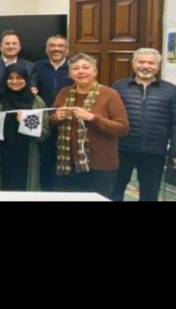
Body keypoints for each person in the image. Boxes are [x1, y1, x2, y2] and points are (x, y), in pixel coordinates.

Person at [50, 53, 129, 199]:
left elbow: (123, 128)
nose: (81, 71)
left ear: (95, 71)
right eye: (75, 68)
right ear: (70, 73)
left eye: (86, 67)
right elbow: (51, 123)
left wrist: (92, 118)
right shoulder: (64, 92)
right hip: (69, 164)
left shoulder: (110, 94)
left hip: (101, 165)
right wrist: (56, 117)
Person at [111, 48, 176, 202]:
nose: (145, 66)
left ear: (158, 66)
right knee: (114, 191)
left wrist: (174, 152)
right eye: (141, 62)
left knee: (149, 195)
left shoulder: (171, 90)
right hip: (121, 149)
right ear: (134, 64)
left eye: (151, 63)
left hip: (154, 152)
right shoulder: (119, 87)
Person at [0, 64, 49, 191]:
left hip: (27, 154)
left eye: (19, 78)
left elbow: (44, 132)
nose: (14, 81)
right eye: (10, 78)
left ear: (26, 79)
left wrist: (25, 123)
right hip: (2, 154)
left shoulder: (37, 101)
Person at [30, 34, 74, 191]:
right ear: (46, 49)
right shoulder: (37, 66)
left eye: (60, 46)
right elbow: (32, 88)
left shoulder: (74, 68)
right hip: (44, 122)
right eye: (52, 46)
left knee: (66, 163)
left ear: (67, 49)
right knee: (45, 161)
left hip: (67, 121)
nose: (56, 49)